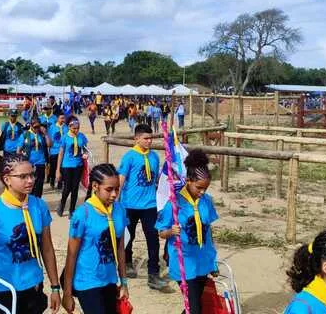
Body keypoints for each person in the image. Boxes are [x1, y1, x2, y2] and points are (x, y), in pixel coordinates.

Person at [0, 154, 61, 314]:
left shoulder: (39, 206)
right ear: (7, 179)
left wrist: (55, 287)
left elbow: (47, 248)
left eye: (32, 174)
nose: (30, 180)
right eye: (23, 176)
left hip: (33, 285)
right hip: (3, 290)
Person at [155, 149, 220, 314]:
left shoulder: (207, 201)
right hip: (184, 261)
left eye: (206, 188)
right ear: (188, 181)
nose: (202, 192)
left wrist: (213, 259)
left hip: (203, 260)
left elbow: (209, 232)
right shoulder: (174, 204)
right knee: (194, 308)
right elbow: (161, 232)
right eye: (199, 188)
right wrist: (171, 231)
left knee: (193, 305)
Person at [61, 164, 129, 314]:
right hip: (87, 281)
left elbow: (120, 248)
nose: (114, 194)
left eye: (117, 189)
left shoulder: (119, 210)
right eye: (109, 189)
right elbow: (71, 255)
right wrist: (66, 293)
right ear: (95, 186)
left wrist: (124, 282)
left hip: (110, 279)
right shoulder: (82, 214)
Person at [118, 124, 167, 290]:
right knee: (128, 236)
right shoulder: (129, 157)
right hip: (129, 204)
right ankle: (127, 262)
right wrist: (115, 201)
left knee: (153, 239)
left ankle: (153, 274)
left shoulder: (154, 157)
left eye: (150, 138)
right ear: (136, 139)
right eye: (145, 138)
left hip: (150, 205)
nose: (149, 141)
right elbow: (121, 179)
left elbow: (156, 179)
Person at [55, 116, 89, 218]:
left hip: (78, 165)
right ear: (69, 127)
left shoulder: (81, 136)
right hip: (67, 165)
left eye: (78, 128)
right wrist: (58, 170)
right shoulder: (65, 137)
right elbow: (61, 153)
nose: (76, 130)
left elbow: (85, 149)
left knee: (75, 188)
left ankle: (72, 210)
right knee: (67, 188)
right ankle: (62, 203)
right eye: (74, 128)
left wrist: (85, 154)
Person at [17, 119, 51, 198]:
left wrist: (45, 134)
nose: (37, 129)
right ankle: (29, 203)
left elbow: (49, 145)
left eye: (38, 127)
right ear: (31, 126)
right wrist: (21, 163)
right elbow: (18, 150)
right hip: (29, 163)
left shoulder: (42, 135)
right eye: (35, 127)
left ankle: (38, 202)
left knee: (39, 185)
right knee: (30, 185)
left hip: (41, 163)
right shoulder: (25, 135)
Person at [47, 114, 66, 190]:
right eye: (61, 118)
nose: (63, 119)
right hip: (54, 151)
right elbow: (49, 139)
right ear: (57, 119)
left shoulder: (66, 127)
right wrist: (49, 150)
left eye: (64, 118)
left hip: (63, 151)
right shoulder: (52, 127)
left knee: (61, 167)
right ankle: (52, 179)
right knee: (53, 167)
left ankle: (60, 182)